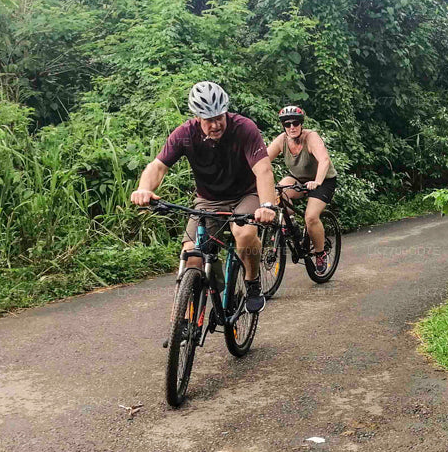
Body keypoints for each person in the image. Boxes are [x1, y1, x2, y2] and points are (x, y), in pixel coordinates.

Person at [130, 81, 279, 312]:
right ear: (197, 117)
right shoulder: (185, 134)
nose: (216, 124)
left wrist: (267, 205)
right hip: (208, 200)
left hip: (245, 195)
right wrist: (144, 189)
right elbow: (158, 166)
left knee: (245, 234)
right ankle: (191, 314)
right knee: (192, 255)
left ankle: (252, 282)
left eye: (220, 117)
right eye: (209, 119)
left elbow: (264, 170)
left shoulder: (244, 129)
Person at [265, 105, 338, 276]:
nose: (292, 127)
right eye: (287, 124)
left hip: (323, 180)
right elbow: (263, 160)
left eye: (295, 123)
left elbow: (324, 160)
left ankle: (320, 253)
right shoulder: (282, 140)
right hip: (299, 178)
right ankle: (291, 224)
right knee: (277, 193)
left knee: (311, 217)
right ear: (283, 126)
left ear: (301, 124)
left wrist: (317, 181)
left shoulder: (311, 137)